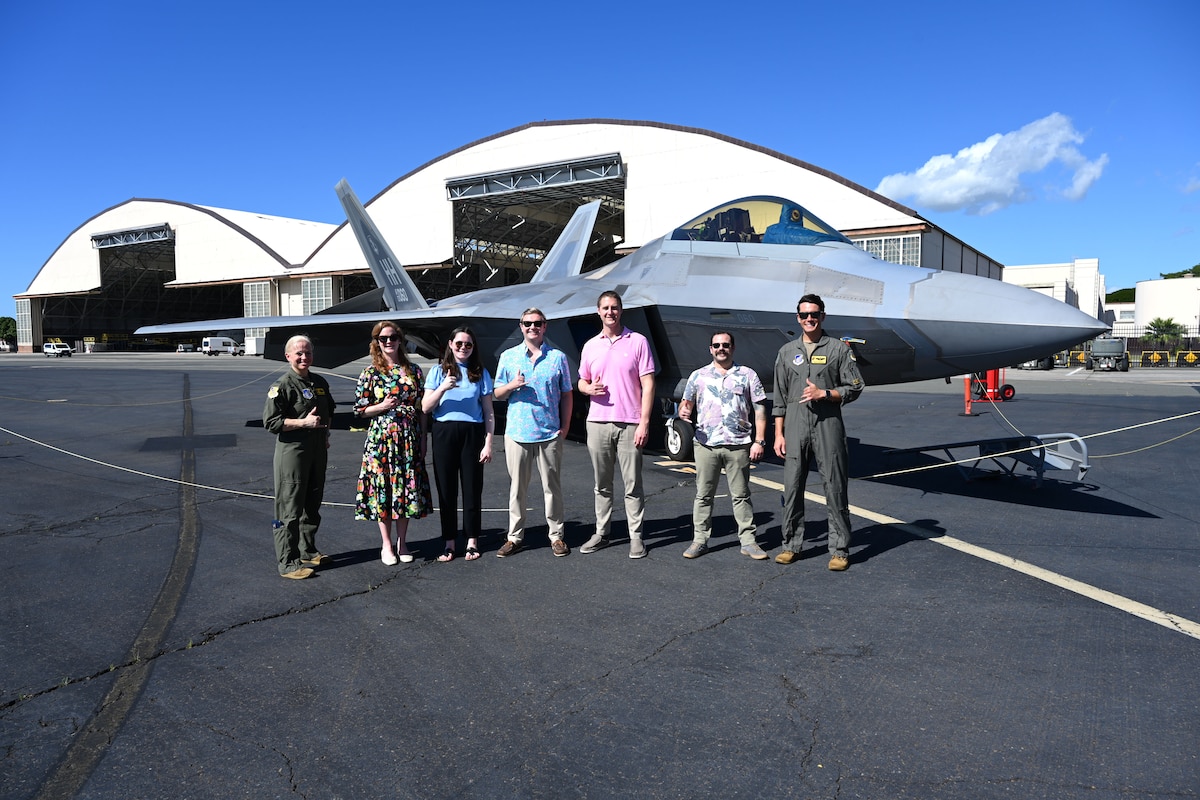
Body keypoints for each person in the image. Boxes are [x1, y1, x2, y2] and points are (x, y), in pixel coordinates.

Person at [772, 294, 865, 570]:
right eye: (804, 315)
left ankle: (839, 550)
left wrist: (825, 393)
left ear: (822, 316)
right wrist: (779, 434)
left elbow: (856, 386)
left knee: (835, 487)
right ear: (797, 318)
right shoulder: (787, 352)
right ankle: (790, 545)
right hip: (795, 426)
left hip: (827, 425)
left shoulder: (838, 350)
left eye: (814, 314)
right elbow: (780, 397)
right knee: (792, 487)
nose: (809, 319)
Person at [577, 290, 656, 558]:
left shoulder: (638, 342)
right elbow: (581, 381)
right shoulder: (590, 346)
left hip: (629, 423)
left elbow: (648, 383)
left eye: (614, 307)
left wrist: (644, 423)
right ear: (598, 312)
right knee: (602, 484)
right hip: (598, 422)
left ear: (621, 311)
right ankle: (602, 532)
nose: (610, 312)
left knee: (632, 485)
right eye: (605, 308)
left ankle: (636, 537)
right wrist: (588, 389)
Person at [678, 331, 769, 560]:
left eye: (725, 345)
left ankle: (748, 542)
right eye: (716, 345)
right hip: (706, 444)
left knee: (741, 495)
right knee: (703, 495)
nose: (721, 348)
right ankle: (700, 540)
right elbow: (686, 403)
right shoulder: (698, 376)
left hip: (738, 444)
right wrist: (683, 410)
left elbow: (760, 409)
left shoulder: (747, 375)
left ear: (733, 348)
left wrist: (759, 440)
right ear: (710, 349)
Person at [493, 308, 574, 558]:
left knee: (552, 487)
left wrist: (566, 426)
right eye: (528, 323)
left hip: (549, 433)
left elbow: (567, 394)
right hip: (517, 433)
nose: (532, 327)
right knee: (517, 489)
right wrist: (512, 385)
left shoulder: (557, 358)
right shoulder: (508, 357)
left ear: (545, 326)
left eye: (537, 323)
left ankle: (556, 536)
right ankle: (514, 537)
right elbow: (496, 393)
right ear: (521, 326)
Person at [352, 321, 434, 565]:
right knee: (384, 490)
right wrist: (381, 407)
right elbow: (359, 410)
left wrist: (423, 439)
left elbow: (422, 409)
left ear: (400, 340)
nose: (389, 342)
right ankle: (386, 545)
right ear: (377, 342)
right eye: (383, 338)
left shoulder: (414, 371)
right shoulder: (370, 373)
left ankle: (403, 541)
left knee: (404, 490)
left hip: (408, 439)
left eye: (393, 337)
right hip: (381, 441)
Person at [262, 334, 335, 580]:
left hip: (317, 451)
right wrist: (303, 422)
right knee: (290, 508)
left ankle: (308, 550)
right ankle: (288, 561)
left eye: (308, 353)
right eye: (299, 353)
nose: (304, 357)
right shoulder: (281, 386)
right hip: (293, 453)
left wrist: (325, 434)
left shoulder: (319, 382)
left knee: (312, 504)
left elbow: (329, 410)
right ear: (288, 356)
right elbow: (271, 422)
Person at [422, 325, 495, 562]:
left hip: (472, 432)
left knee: (473, 487)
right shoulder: (437, 372)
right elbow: (425, 407)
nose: (464, 348)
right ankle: (450, 542)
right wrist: (443, 386)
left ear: (474, 348)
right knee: (447, 489)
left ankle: (472, 540)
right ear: (450, 346)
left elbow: (488, 410)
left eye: (468, 344)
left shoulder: (480, 373)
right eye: (459, 343)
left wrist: (489, 442)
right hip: (444, 431)